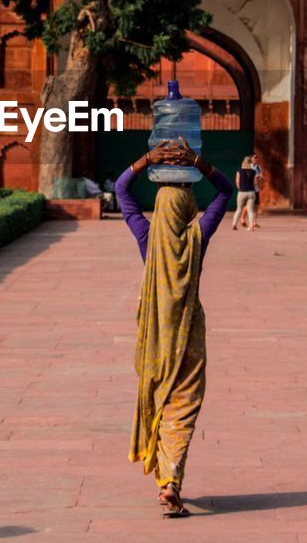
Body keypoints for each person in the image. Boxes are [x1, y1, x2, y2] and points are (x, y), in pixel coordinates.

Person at [115, 139, 235, 518]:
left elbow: (121, 188)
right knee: (182, 408)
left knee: (158, 401)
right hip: (188, 338)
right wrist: (198, 162)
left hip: (154, 339)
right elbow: (227, 191)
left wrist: (148, 160)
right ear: (185, 212)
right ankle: (170, 482)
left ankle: (167, 482)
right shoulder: (198, 238)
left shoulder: (147, 239)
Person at [232, 156, 260, 231]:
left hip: (242, 192)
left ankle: (234, 225)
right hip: (251, 192)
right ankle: (251, 226)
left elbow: (237, 182)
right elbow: (255, 183)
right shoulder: (253, 172)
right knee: (250, 210)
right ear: (250, 163)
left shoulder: (239, 171)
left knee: (239, 209)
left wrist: (240, 188)